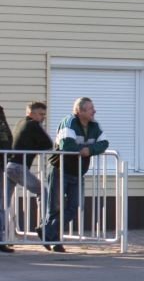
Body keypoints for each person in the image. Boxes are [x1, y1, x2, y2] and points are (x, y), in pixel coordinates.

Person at [36, 97, 109, 252]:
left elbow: (104, 143)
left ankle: (46, 230)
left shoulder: (95, 125)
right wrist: (84, 148)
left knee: (73, 206)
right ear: (79, 111)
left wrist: (89, 150)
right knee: (54, 207)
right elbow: (67, 144)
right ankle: (55, 241)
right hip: (59, 169)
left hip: (78, 172)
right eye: (90, 108)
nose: (94, 111)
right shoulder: (69, 123)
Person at [2, 102, 53, 252]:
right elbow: (48, 144)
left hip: (9, 166)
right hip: (18, 167)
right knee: (42, 191)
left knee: (3, 204)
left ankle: (5, 237)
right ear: (30, 113)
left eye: (44, 114)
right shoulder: (33, 125)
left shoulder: (21, 123)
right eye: (40, 114)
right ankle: (44, 227)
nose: (42, 117)